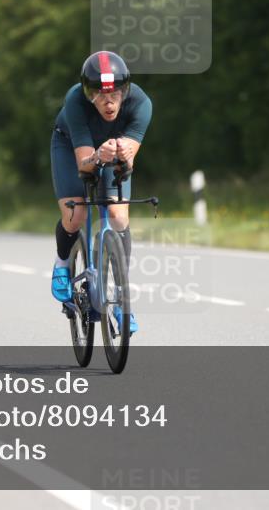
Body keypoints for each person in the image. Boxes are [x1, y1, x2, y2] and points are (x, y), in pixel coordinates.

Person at [49, 51, 152, 333]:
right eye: (100, 94)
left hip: (109, 153)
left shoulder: (141, 104)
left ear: (125, 90)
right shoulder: (75, 101)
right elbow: (85, 165)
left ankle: (120, 299)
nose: (109, 102)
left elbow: (127, 163)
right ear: (88, 92)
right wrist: (97, 157)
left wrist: (123, 155)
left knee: (118, 216)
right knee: (77, 212)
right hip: (72, 148)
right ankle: (61, 263)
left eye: (116, 93)